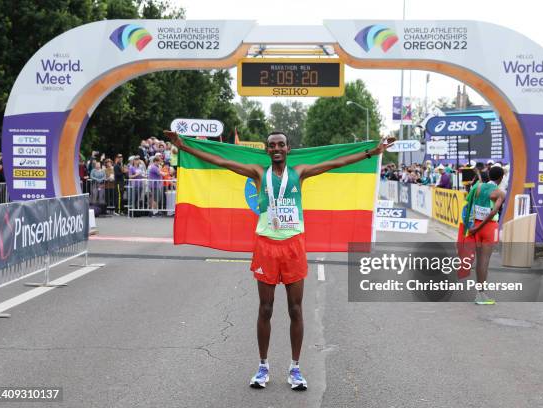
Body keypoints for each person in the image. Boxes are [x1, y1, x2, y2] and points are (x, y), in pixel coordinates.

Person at [165, 129, 392, 391]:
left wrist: (371, 153)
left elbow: (336, 163)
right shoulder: (258, 173)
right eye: (272, 145)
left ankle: (295, 369)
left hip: (294, 246)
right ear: (266, 150)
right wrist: (184, 147)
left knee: (295, 309)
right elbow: (221, 162)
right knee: (266, 308)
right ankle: (263, 366)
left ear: (288, 148)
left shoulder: (301, 172)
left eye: (281, 145)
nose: (276, 149)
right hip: (266, 246)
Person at [466, 166, 506, 305]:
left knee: (479, 261)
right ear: (501, 178)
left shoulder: (478, 187)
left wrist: (473, 227)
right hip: (488, 228)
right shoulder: (500, 193)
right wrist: (479, 227)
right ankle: (481, 295)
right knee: (484, 261)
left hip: (476, 225)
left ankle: (480, 293)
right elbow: (493, 212)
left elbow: (470, 203)